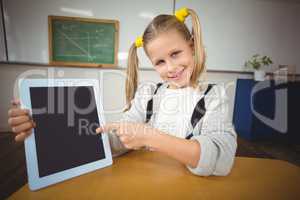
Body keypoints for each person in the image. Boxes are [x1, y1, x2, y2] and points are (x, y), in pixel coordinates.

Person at [8, 7, 237, 176]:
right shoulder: (148, 93)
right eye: (159, 61)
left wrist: (150, 136)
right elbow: (118, 140)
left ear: (193, 46)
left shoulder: (214, 95)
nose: (171, 68)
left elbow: (222, 159)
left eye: (176, 53)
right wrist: (45, 128)